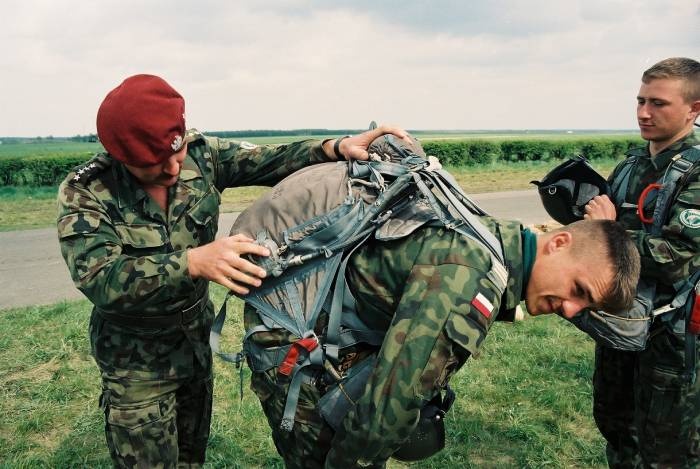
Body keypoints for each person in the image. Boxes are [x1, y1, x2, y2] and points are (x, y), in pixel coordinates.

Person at [56, 73, 409, 468]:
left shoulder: (201, 155)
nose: (174, 167)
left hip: (193, 343)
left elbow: (269, 159)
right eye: (156, 164)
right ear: (124, 160)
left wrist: (335, 146)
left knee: (192, 453)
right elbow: (99, 276)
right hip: (134, 360)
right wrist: (193, 262)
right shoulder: (86, 192)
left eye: (179, 150)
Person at [232, 134, 641, 467]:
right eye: (579, 291)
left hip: (325, 332)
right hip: (298, 349)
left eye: (586, 308)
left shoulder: (498, 239)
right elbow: (391, 403)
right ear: (561, 241)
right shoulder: (472, 275)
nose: (570, 310)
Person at [583, 57, 700, 467]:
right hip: (619, 321)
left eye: (659, 103)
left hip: (671, 335)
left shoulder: (696, 171)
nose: (644, 113)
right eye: (640, 100)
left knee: (666, 447)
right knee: (615, 426)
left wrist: (607, 232)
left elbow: (676, 258)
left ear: (694, 109)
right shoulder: (632, 165)